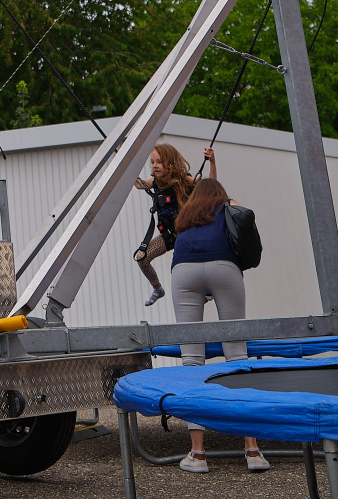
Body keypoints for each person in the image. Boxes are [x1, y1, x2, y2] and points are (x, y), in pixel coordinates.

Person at [170, 161, 266, 475]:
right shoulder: (225, 206)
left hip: (184, 271)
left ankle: (198, 455)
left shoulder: (186, 215)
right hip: (224, 268)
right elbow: (244, 213)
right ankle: (252, 450)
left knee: (192, 361)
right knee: (237, 353)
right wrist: (227, 198)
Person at [130, 142, 195, 305]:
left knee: (185, 265)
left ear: (170, 162)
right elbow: (138, 183)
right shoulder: (155, 182)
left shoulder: (184, 180)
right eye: (152, 162)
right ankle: (157, 288)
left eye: (159, 162)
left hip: (185, 234)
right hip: (167, 235)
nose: (155, 166)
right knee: (141, 258)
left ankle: (207, 290)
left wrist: (212, 161)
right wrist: (127, 164)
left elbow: (209, 186)